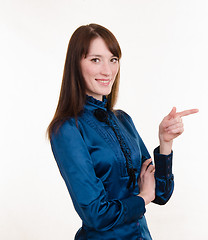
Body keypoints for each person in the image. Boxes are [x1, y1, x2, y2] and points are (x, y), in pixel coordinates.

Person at [47, 23, 198, 240]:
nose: (107, 71)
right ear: (76, 65)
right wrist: (143, 197)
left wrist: (165, 143)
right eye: (95, 59)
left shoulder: (123, 120)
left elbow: (161, 194)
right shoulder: (67, 129)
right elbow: (96, 215)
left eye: (113, 59)